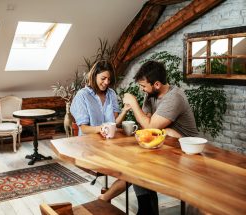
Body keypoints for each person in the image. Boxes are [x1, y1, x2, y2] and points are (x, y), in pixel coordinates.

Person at [122, 60, 198, 215]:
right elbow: (147, 126)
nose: (142, 90)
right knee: (137, 160)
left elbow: (150, 127)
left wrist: (133, 103)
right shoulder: (151, 94)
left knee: (141, 162)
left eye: (144, 86)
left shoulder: (174, 97)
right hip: (166, 146)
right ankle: (147, 208)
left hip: (187, 152)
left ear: (156, 84)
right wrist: (164, 130)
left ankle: (147, 209)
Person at [70, 60, 130, 202]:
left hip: (110, 145)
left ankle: (105, 198)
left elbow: (114, 123)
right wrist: (100, 129)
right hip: (89, 146)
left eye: (109, 79)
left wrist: (125, 110)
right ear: (94, 76)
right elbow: (83, 128)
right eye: (103, 78)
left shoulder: (111, 94)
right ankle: (105, 198)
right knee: (128, 172)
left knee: (133, 171)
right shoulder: (82, 95)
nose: (106, 82)